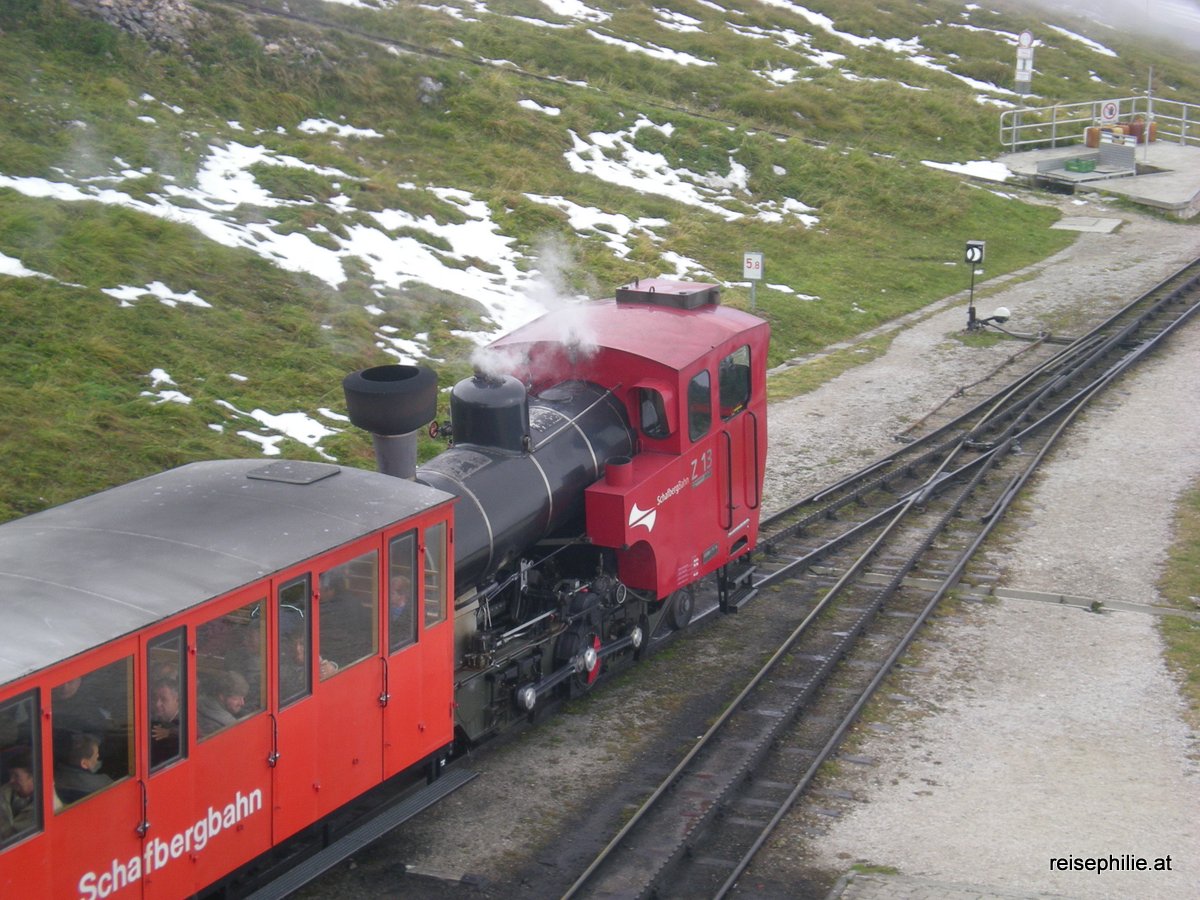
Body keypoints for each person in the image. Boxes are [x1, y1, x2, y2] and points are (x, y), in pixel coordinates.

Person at [54, 733, 113, 804]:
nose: (98, 757)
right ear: (84, 764)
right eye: (96, 756)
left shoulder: (56, 776)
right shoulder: (102, 783)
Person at [197, 671, 248, 737]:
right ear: (222, 697)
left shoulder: (200, 702)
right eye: (236, 699)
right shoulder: (225, 726)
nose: (242, 703)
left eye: (243, 698)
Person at [0, 749, 37, 841]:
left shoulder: (46, 808)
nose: (11, 780)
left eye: (16, 776)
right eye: (10, 775)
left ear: (33, 777)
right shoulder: (5, 791)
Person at [149, 680, 181, 768]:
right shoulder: (154, 717)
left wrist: (171, 732)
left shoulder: (186, 720)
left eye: (164, 699)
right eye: (155, 698)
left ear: (177, 700)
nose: (157, 704)